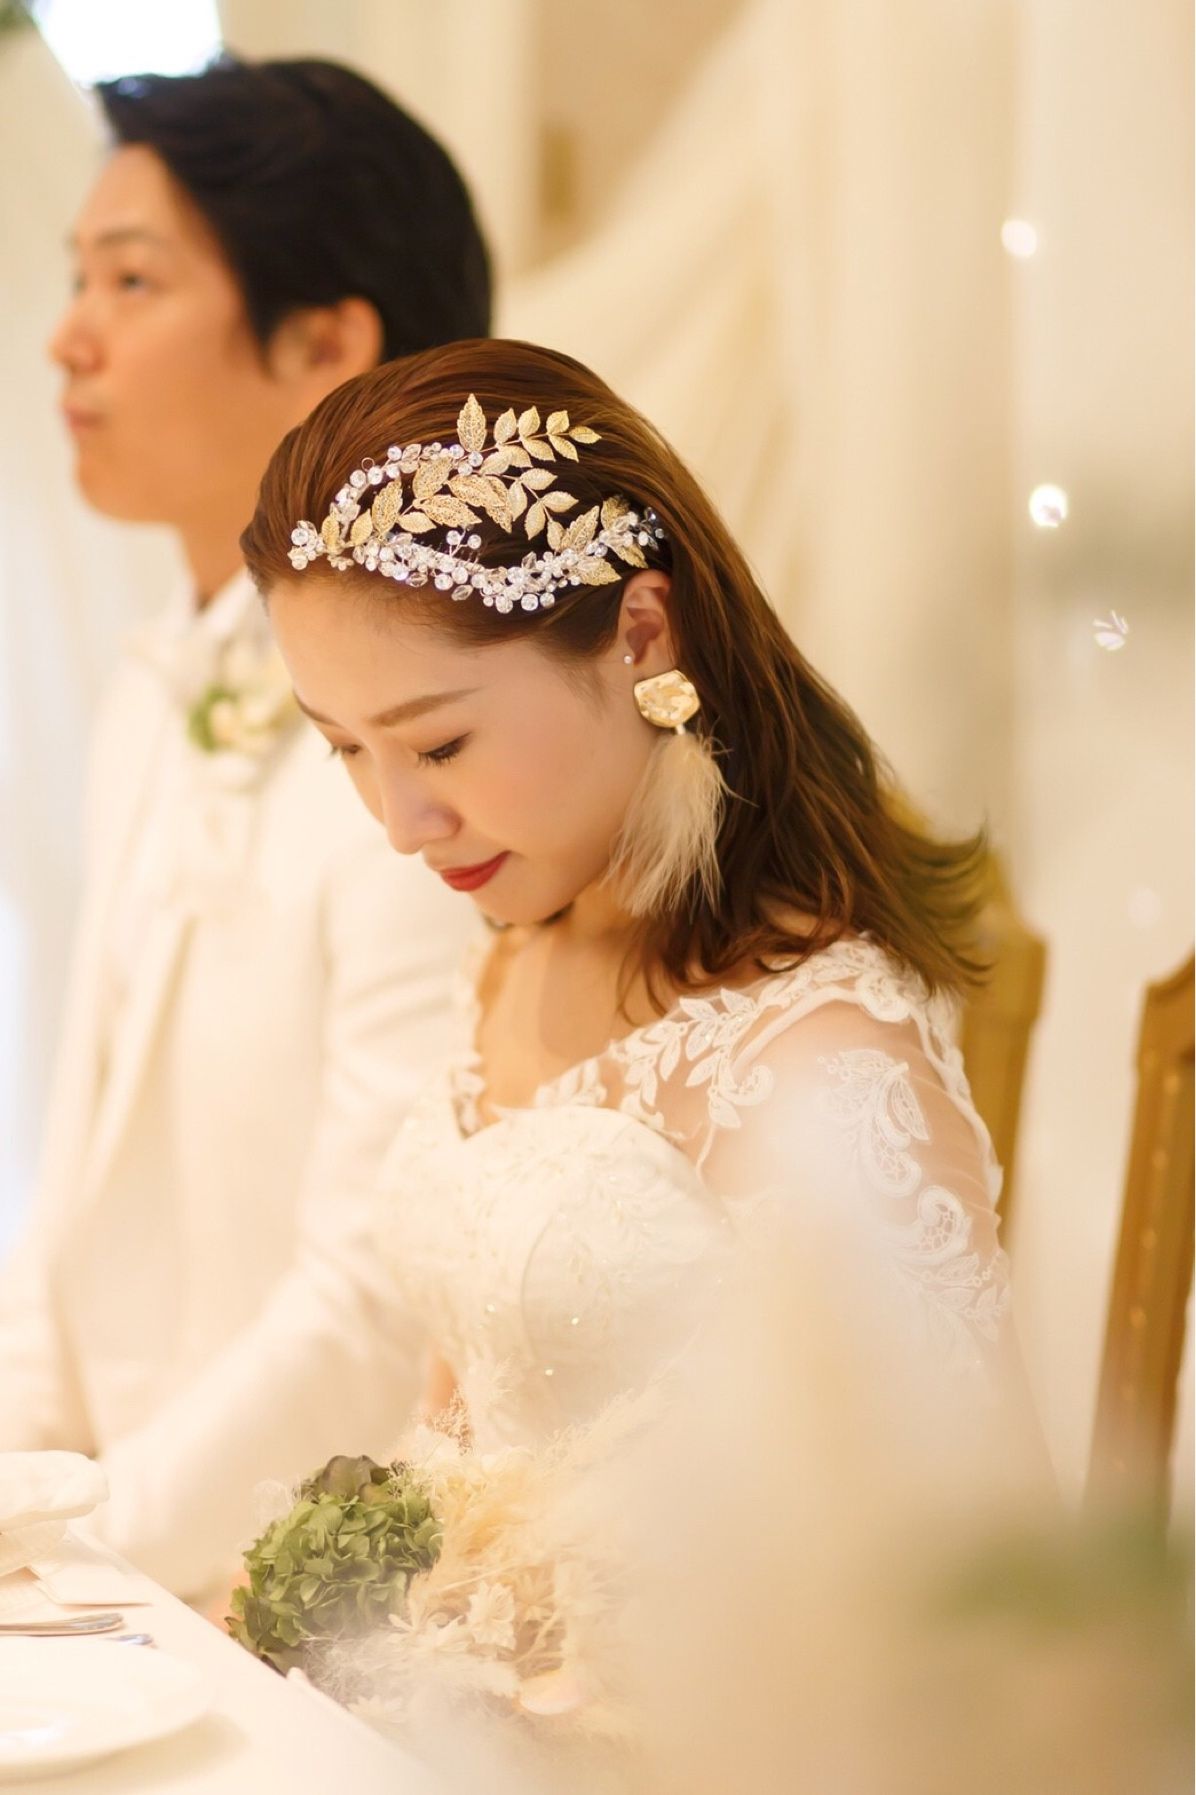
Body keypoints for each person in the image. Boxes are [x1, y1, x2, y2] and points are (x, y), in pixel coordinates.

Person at [238, 335, 1018, 1468]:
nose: (399, 823)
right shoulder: (513, 951)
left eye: (438, 744)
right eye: (345, 748)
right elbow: (464, 1418)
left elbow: (954, 1548)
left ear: (641, 633)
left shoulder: (823, 1061)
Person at [0, 59, 488, 1601]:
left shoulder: (453, 761)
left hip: (316, 1586)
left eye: (131, 280)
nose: (68, 334)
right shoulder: (159, 689)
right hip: (122, 1556)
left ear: (324, 343)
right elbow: (76, 1194)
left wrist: (84, 1551)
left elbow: (380, 1295)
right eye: (77, 277)